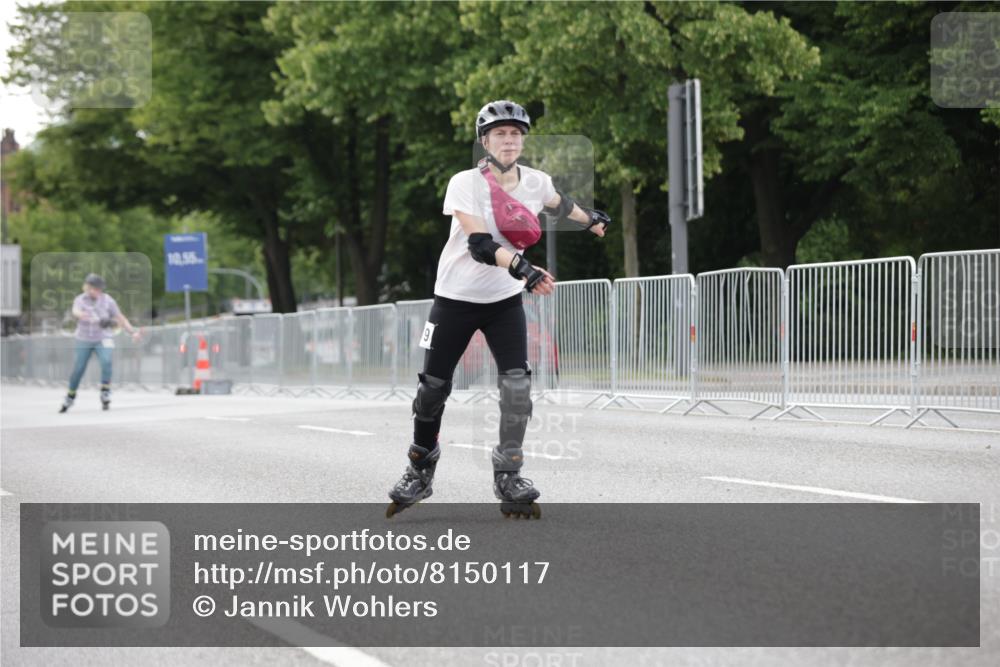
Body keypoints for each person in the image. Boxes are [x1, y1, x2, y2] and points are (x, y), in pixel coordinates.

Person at [387, 100, 610, 519]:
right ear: (485, 141)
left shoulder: (536, 181)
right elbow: (479, 245)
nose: (509, 140)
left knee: (517, 388)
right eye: (500, 134)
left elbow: (559, 203)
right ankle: (419, 468)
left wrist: (591, 219)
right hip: (454, 298)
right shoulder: (465, 183)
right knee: (432, 389)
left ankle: (509, 473)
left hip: (502, 301)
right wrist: (523, 267)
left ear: (523, 139)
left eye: (515, 134)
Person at [59, 273, 141, 413]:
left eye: (99, 289)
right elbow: (76, 311)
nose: (98, 291)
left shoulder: (108, 300)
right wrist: (82, 315)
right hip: (84, 338)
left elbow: (120, 317)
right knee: (79, 368)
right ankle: (71, 395)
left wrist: (132, 332)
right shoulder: (80, 299)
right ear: (87, 288)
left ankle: (105, 391)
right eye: (95, 288)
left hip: (103, 337)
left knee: (106, 361)